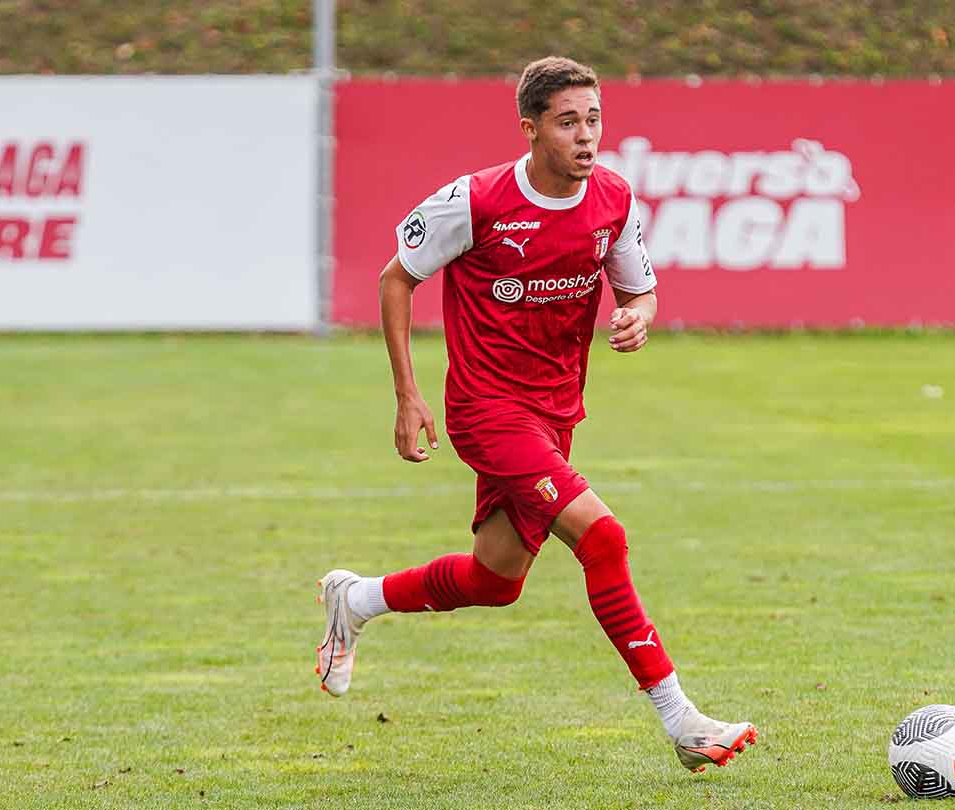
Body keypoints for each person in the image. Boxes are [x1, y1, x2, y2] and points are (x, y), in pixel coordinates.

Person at [313, 56, 756, 773]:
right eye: (568, 122)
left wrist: (638, 317)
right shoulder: (477, 201)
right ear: (530, 129)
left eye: (594, 119)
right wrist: (408, 394)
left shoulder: (613, 199)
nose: (587, 136)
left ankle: (356, 599)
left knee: (496, 579)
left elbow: (639, 291)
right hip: (489, 412)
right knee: (603, 538)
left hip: (556, 414)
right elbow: (396, 279)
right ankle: (682, 721)